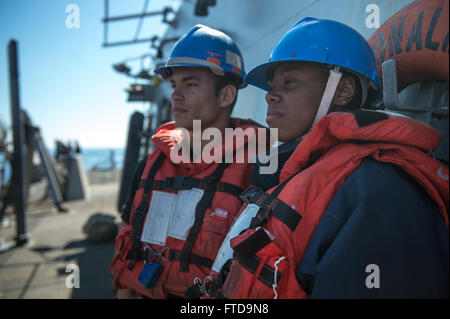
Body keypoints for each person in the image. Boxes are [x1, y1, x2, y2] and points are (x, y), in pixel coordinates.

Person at [202, 17, 449, 299]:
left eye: (289, 81)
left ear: (342, 91)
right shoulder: (299, 173)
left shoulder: (377, 189)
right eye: (271, 86)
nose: (270, 96)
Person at [110, 24, 269, 299]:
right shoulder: (152, 163)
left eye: (191, 84)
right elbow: (127, 236)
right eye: (174, 85)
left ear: (226, 95)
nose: (175, 95)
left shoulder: (259, 170)